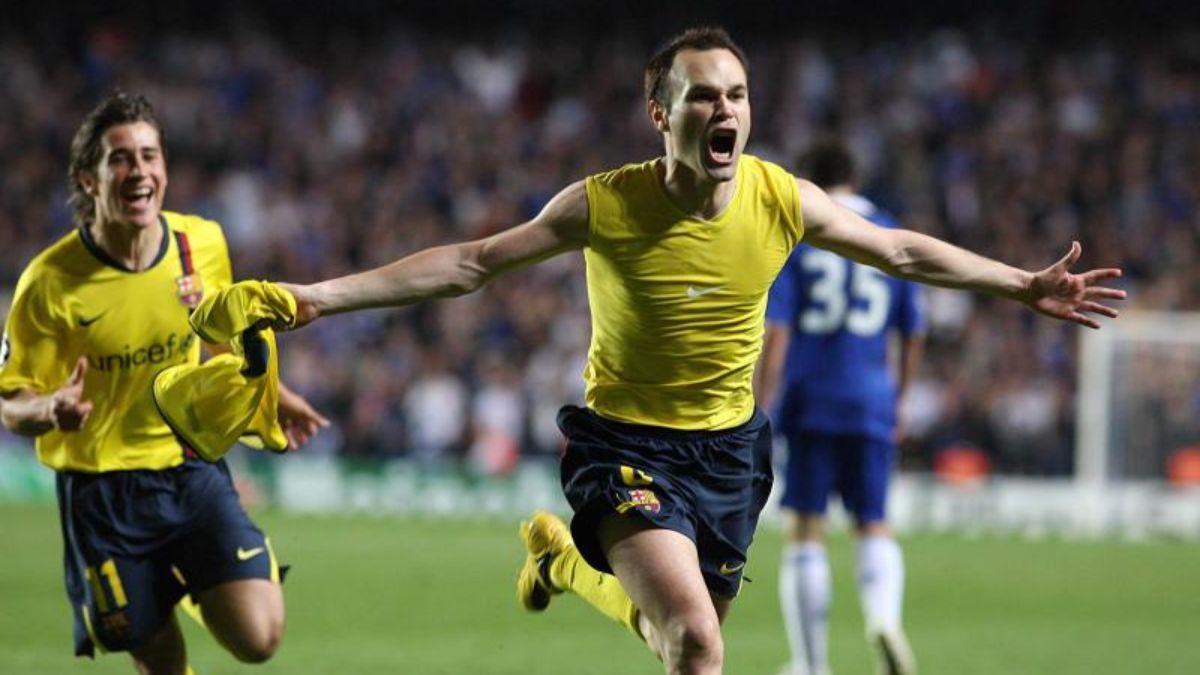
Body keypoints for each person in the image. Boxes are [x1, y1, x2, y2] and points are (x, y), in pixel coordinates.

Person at [241, 26, 1122, 675]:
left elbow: (898, 252)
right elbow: (472, 263)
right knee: (700, 643)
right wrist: (321, 297)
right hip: (624, 444)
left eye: (736, 94)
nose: (724, 109)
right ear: (662, 114)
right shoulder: (605, 204)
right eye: (704, 95)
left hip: (732, 451)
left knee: (680, 638)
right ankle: (575, 550)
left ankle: (559, 561)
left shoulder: (781, 198)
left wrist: (1019, 283)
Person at [0, 93, 328, 674]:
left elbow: (220, 341)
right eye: (119, 158)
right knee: (161, 664)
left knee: (260, 638)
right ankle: (176, 586)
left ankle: (194, 579)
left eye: (149, 155)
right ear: (89, 179)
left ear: (166, 171)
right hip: (101, 492)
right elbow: (11, 404)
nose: (138, 170)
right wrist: (50, 409)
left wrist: (275, 394)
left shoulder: (200, 244)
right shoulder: (49, 283)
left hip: (189, 469)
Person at [755, 140, 924, 675]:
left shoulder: (802, 230)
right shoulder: (889, 229)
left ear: (807, 181)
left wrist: (761, 407)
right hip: (872, 396)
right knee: (873, 522)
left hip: (811, 398)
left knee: (805, 527)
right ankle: (883, 618)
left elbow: (776, 331)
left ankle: (811, 664)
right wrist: (897, 400)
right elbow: (913, 329)